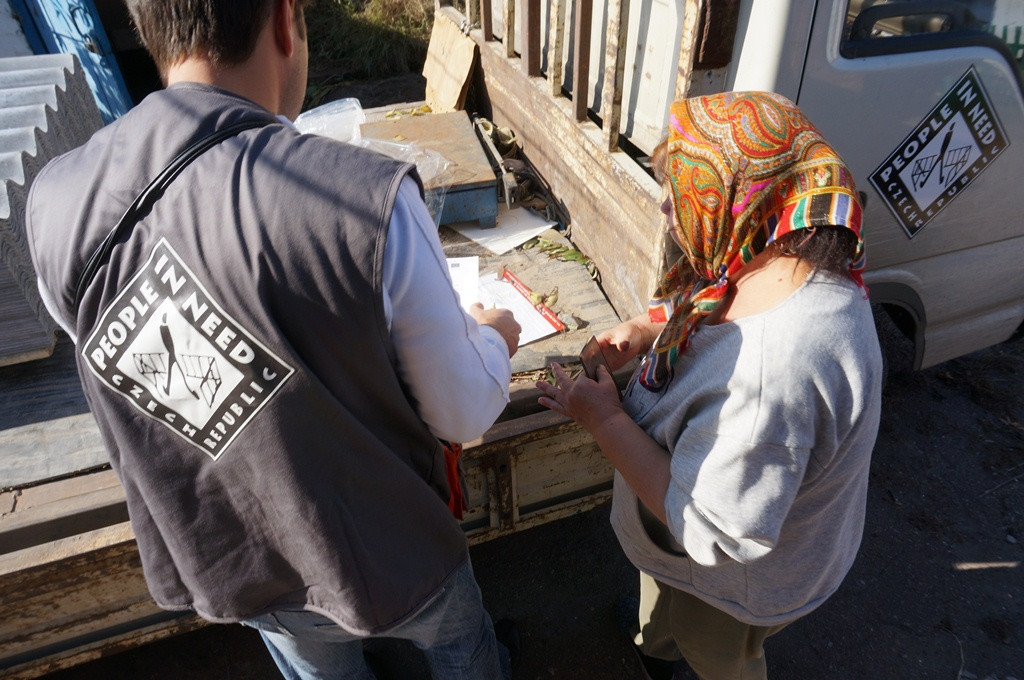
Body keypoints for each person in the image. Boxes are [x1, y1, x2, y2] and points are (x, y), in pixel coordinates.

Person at [24, 1, 522, 678]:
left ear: (150, 31)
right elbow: (462, 411)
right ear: (287, 22)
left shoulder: (52, 201)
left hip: (240, 561)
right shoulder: (363, 199)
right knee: (461, 645)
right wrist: (492, 339)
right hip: (392, 550)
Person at [536, 92, 882, 680]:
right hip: (686, 555)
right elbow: (718, 297)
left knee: (715, 646)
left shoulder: (772, 377)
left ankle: (693, 650)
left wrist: (606, 420)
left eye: (679, 191)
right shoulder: (779, 254)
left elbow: (708, 529)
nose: (668, 206)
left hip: (736, 585)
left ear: (733, 198)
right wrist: (652, 328)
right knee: (666, 605)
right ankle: (657, 640)